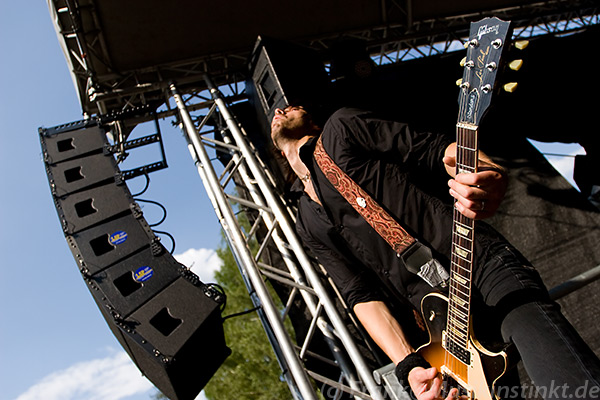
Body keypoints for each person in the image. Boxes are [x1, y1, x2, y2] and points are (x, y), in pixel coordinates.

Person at [270, 104, 600, 399]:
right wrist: (409, 366)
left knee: (569, 382)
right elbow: (358, 292)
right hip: (443, 329)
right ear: (276, 149)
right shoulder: (305, 220)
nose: (281, 110)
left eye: (292, 106)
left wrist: (482, 174)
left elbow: (433, 150)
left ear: (311, 122)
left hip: (480, 266)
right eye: (274, 114)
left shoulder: (341, 128)